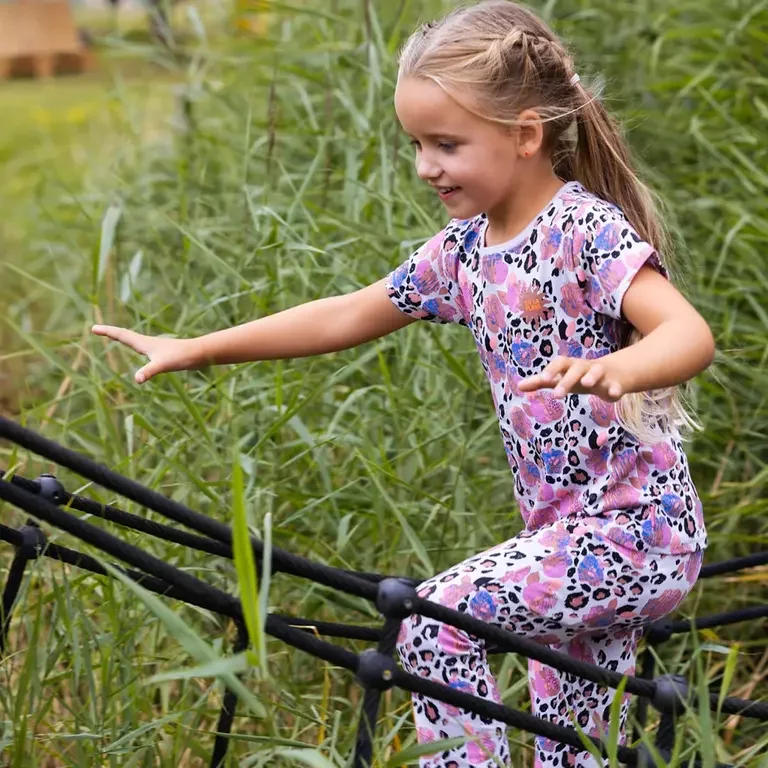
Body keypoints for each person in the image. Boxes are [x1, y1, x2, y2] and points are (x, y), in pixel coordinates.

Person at [92, 1, 715, 765]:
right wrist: (196, 347)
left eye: (447, 144)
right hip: (561, 538)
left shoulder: (582, 231)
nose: (426, 165)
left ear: (525, 135)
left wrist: (618, 367)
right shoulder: (463, 254)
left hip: (637, 534)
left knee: (434, 621)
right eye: (417, 143)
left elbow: (688, 334)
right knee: (579, 750)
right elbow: (344, 315)